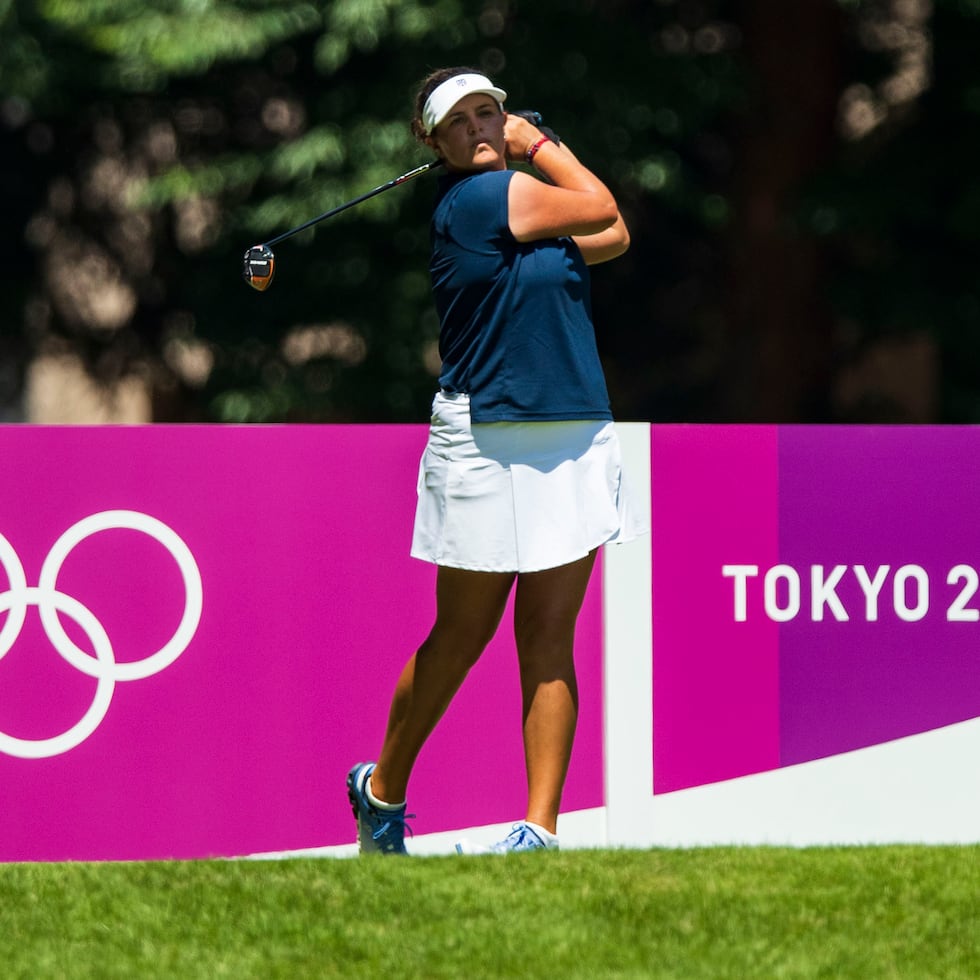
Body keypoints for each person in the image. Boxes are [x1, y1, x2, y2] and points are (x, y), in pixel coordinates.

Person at [347, 67, 645, 855]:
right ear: (434, 143)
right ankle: (381, 790)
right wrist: (539, 143)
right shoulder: (482, 199)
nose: (481, 128)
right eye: (462, 121)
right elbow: (603, 208)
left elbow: (612, 238)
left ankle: (538, 833)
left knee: (549, 637)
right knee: (463, 635)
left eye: (491, 113)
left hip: (569, 434)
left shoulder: (525, 206)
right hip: (485, 437)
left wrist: (535, 157)